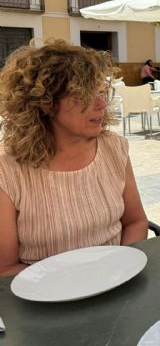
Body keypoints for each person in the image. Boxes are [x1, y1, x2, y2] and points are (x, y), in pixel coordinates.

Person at [0, 40, 148, 277]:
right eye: (85, 95)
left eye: (102, 92)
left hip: (117, 282)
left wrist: (122, 265)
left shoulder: (113, 148)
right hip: (43, 297)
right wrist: (76, 283)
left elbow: (136, 222)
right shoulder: (7, 169)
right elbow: (5, 267)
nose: (102, 104)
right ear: (46, 104)